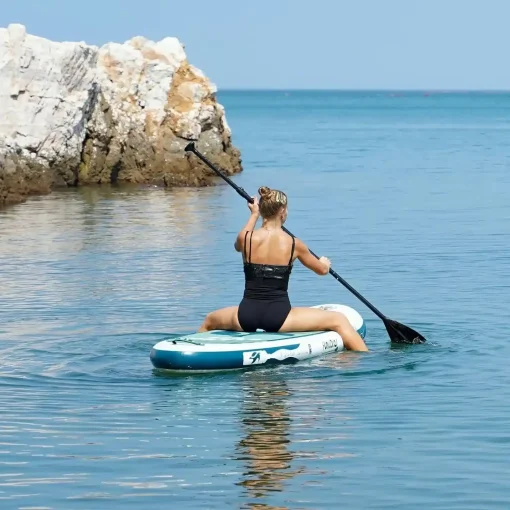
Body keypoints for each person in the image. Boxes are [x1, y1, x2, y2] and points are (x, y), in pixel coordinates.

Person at [197, 186, 368, 352]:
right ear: (282, 211)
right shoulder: (293, 243)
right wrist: (324, 262)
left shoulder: (246, 238)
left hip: (245, 315)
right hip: (279, 317)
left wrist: (254, 215)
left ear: (262, 210)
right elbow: (322, 271)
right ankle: (366, 357)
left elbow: (238, 245)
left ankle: (197, 353)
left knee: (209, 320)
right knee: (338, 319)